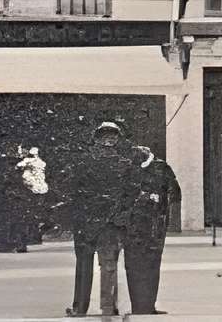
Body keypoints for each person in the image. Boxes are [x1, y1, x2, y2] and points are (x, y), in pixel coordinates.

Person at [65, 121, 134, 320]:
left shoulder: (84, 163)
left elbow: (74, 192)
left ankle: (80, 308)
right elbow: (129, 195)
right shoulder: (125, 164)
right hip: (110, 223)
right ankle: (108, 308)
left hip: (88, 221)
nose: (108, 141)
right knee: (109, 266)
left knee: (85, 266)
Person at [124, 145, 183, 317]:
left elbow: (175, 194)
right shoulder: (160, 167)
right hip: (151, 227)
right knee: (150, 266)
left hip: (141, 227)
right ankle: (147, 306)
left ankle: (141, 306)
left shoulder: (131, 168)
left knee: (136, 266)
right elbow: (175, 194)